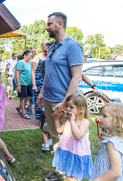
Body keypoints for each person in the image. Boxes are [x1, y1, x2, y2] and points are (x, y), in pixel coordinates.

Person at [36, 12, 84, 180]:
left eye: (49, 24)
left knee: (66, 137)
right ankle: (60, 169)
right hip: (49, 99)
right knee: (55, 135)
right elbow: (49, 73)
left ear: (60, 24)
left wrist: (65, 103)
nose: (46, 27)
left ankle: (68, 171)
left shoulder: (72, 46)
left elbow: (77, 77)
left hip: (62, 101)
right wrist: (42, 93)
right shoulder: (52, 47)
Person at [51, 94, 93, 181]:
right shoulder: (68, 118)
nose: (68, 109)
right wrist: (56, 119)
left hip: (77, 152)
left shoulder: (84, 122)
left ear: (81, 109)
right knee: (68, 174)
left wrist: (72, 121)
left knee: (73, 176)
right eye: (67, 106)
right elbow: (60, 130)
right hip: (68, 149)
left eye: (71, 107)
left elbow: (78, 136)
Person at [90, 102, 123, 181]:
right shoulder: (118, 139)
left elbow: (116, 172)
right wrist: (106, 138)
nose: (100, 118)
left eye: (104, 116)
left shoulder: (111, 143)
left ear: (117, 122)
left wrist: (97, 180)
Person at [14, 51, 33, 119]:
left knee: (30, 95)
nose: (31, 57)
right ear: (25, 55)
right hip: (22, 83)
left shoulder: (28, 63)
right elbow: (17, 73)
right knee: (22, 98)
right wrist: (19, 85)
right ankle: (23, 112)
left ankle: (19, 107)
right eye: (30, 56)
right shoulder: (21, 63)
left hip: (29, 83)